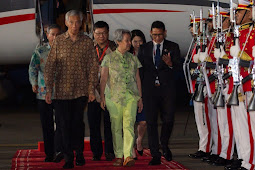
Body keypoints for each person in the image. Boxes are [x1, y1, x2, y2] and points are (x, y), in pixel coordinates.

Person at [44, 10, 98, 169]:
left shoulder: (87, 42)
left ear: (81, 23)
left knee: (77, 124)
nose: (75, 25)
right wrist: (48, 89)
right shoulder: (58, 42)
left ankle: (79, 154)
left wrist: (91, 90)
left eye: (77, 22)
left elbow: (93, 67)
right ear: (66, 23)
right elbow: (49, 67)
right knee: (63, 125)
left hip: (81, 91)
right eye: (71, 22)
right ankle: (68, 157)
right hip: (61, 93)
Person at [138, 21, 181, 165]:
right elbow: (140, 71)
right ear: (150, 33)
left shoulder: (173, 47)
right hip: (149, 91)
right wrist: (140, 92)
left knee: (168, 120)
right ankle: (155, 154)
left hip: (167, 90)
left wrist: (170, 64)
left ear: (165, 33)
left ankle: (164, 144)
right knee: (151, 122)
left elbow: (178, 69)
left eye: (160, 35)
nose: (157, 38)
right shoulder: (144, 48)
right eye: (154, 35)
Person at [100, 29, 143, 167]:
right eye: (127, 40)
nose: (130, 43)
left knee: (129, 125)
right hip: (114, 98)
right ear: (118, 42)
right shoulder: (108, 58)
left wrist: (140, 98)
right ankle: (119, 155)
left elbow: (137, 78)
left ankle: (128, 155)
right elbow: (103, 79)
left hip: (131, 96)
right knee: (116, 127)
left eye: (130, 40)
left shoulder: (133, 58)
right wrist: (102, 97)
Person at [227, 0, 255, 169]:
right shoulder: (241, 33)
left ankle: (250, 161)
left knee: (251, 127)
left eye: (238, 12)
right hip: (239, 85)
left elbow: (252, 62)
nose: (235, 15)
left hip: (250, 85)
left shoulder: (252, 33)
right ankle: (245, 158)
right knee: (241, 126)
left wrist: (242, 56)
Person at [29, 24, 61, 162]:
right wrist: (34, 83)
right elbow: (32, 68)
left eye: (57, 34)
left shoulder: (65, 50)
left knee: (61, 123)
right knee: (47, 124)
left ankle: (60, 150)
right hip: (43, 93)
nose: (54, 37)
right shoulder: (40, 51)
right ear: (47, 35)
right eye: (52, 34)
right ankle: (49, 153)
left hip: (62, 93)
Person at [87, 21, 115, 161]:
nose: (101, 36)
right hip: (93, 92)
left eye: (103, 33)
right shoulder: (87, 48)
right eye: (98, 33)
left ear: (108, 33)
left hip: (110, 91)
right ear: (93, 33)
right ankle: (96, 153)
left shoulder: (115, 47)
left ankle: (110, 151)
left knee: (110, 124)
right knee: (93, 124)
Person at [129, 29, 147, 159]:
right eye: (135, 41)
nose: (138, 44)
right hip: (129, 91)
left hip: (144, 90)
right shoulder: (127, 55)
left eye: (140, 41)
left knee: (143, 121)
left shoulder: (147, 53)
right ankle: (130, 148)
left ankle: (139, 140)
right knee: (130, 121)